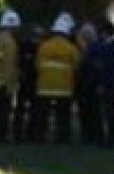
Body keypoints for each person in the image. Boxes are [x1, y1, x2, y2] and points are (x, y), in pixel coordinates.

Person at [32, 13, 80, 144]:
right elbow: (77, 66)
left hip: (44, 87)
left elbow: (37, 65)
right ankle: (62, 138)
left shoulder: (44, 46)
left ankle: (39, 137)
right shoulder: (71, 48)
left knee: (42, 115)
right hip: (64, 88)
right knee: (62, 116)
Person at [81, 20, 114, 148]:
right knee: (111, 111)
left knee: (100, 112)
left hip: (102, 83)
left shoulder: (97, 47)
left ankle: (101, 137)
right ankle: (113, 137)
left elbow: (91, 65)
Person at [0, 9, 21, 143]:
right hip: (4, 83)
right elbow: (9, 64)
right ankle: (2, 136)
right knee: (4, 112)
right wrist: (10, 84)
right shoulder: (9, 43)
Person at [13, 25, 41, 142]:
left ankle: (18, 133)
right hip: (33, 81)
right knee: (33, 109)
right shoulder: (40, 47)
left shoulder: (22, 46)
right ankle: (31, 133)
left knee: (21, 108)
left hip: (24, 80)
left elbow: (18, 62)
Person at [74, 22, 100, 144]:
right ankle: (92, 135)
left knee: (87, 112)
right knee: (92, 112)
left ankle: (89, 135)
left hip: (87, 86)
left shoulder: (88, 51)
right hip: (91, 85)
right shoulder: (95, 49)